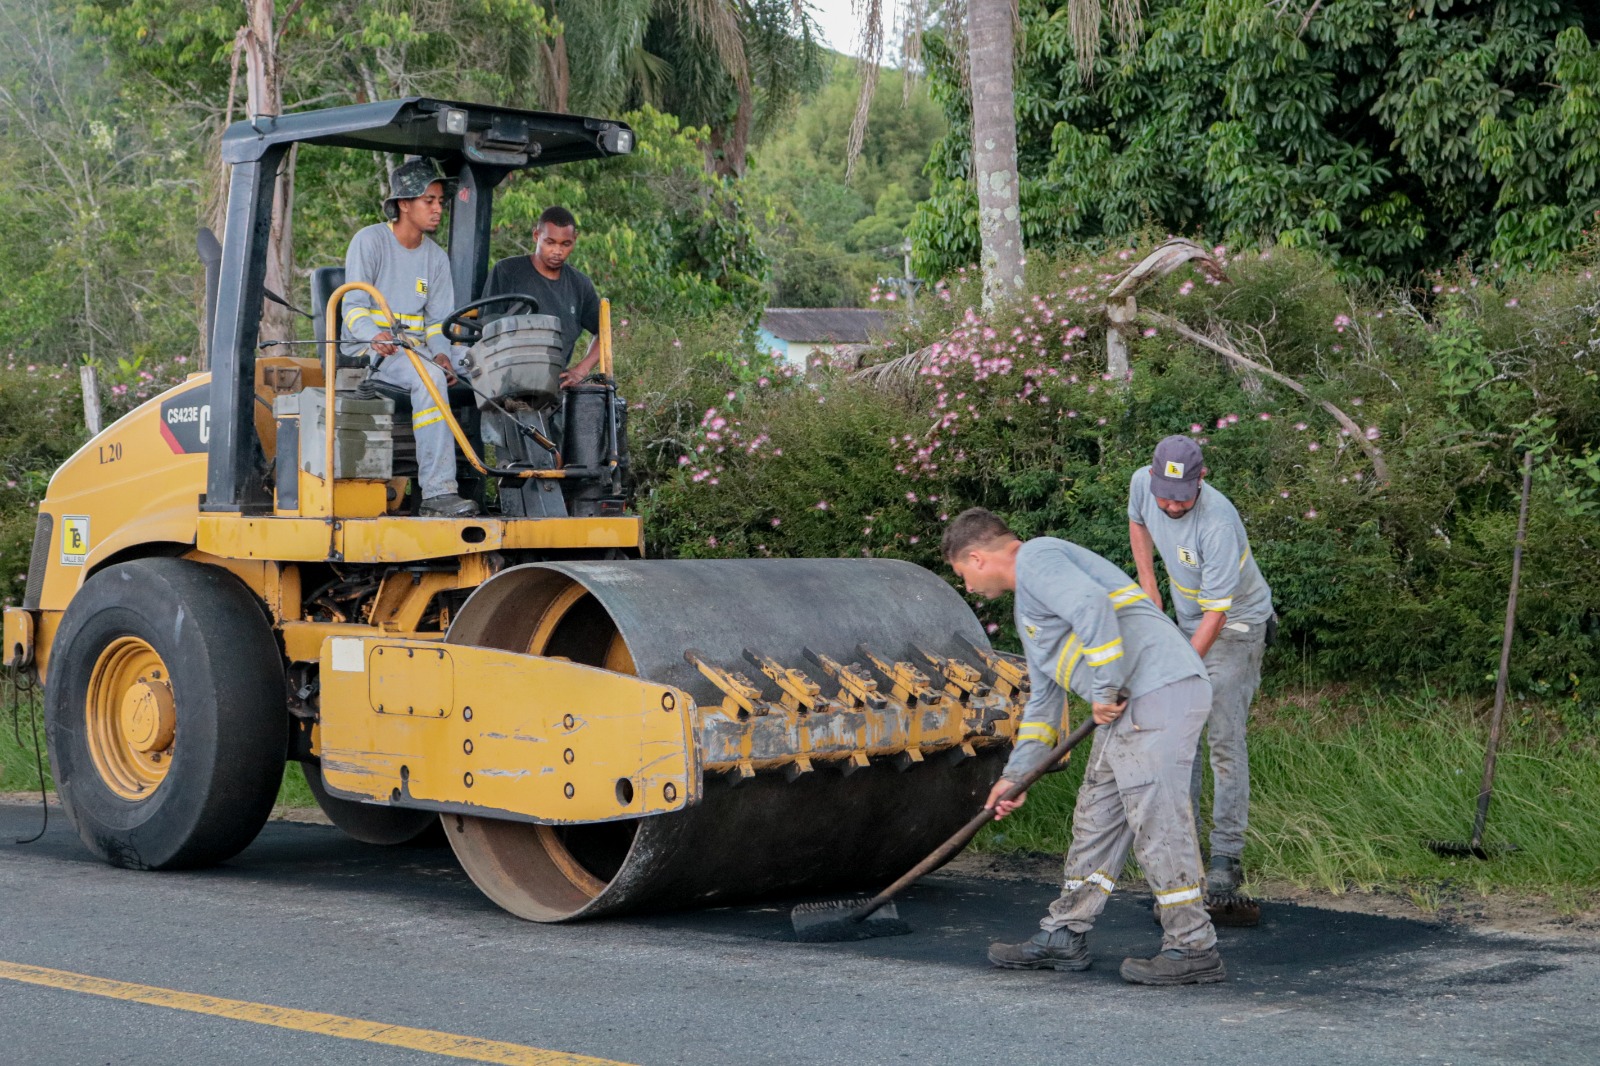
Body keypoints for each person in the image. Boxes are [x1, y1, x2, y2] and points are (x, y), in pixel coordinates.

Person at [943, 508, 1225, 985]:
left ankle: (1193, 947)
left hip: (1157, 688)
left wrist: (1102, 688)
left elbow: (1093, 605)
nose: (968, 588)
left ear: (977, 556)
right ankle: (1064, 933)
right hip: (1128, 705)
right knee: (1097, 818)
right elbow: (1044, 704)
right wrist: (1018, 776)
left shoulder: (1038, 556)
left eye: (962, 576)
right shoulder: (1030, 610)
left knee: (1156, 817)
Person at [1127, 435, 1274, 896]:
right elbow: (1138, 521)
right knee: (1180, 733)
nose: (1171, 508)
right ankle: (1182, 849)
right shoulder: (1142, 486)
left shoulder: (1217, 523)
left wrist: (1178, 665)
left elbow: (1218, 613)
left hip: (1238, 626)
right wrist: (1149, 584)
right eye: (1165, 497)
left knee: (1223, 739)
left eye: (1182, 499)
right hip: (1188, 620)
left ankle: (1227, 857)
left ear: (1201, 479)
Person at [341, 158, 477, 517]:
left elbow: (437, 323)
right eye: (428, 200)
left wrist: (445, 353)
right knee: (429, 376)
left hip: (418, 352)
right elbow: (352, 305)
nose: (437, 209)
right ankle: (438, 492)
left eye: (440, 202)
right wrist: (374, 336)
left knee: (489, 364)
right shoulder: (370, 242)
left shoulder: (435, 258)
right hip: (371, 353)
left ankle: (517, 478)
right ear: (404, 203)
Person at [482, 206, 603, 388]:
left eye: (565, 244)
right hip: (505, 380)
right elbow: (487, 327)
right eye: (550, 242)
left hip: (554, 384)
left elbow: (605, 333)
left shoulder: (580, 285)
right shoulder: (507, 271)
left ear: (574, 240)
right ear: (536, 236)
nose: (557, 251)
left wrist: (580, 370)